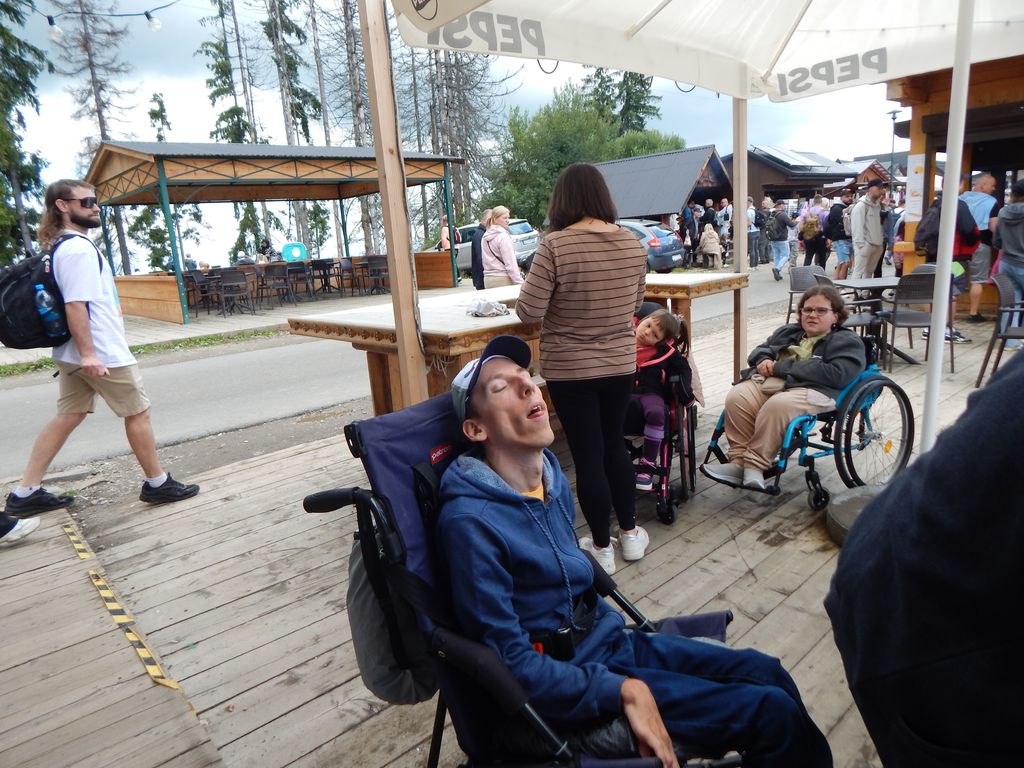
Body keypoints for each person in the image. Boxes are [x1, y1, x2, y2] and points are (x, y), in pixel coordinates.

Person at [439, 334, 833, 768]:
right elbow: (507, 662)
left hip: (611, 645)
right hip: (567, 681)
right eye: (501, 387)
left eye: (525, 376)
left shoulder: (548, 476)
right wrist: (621, 689)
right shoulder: (470, 523)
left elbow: (569, 579)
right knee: (771, 713)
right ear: (476, 429)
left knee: (767, 671)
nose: (527, 385)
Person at [825, 352, 1024, 767]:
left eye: (820, 315)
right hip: (914, 626)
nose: (808, 319)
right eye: (803, 315)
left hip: (903, 593)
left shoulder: (842, 345)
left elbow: (836, 371)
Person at [4, 179, 199, 516]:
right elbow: (75, 305)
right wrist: (90, 354)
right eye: (87, 201)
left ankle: (26, 491)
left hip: (71, 352)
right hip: (99, 352)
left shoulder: (61, 246)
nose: (95, 207)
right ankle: (157, 483)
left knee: (69, 414)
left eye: (96, 201)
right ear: (62, 205)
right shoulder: (78, 249)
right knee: (138, 412)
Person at [516, 163, 648, 575]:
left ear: (563, 199)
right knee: (615, 446)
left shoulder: (555, 246)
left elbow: (528, 312)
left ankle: (602, 548)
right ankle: (630, 534)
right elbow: (635, 304)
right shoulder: (632, 243)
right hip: (620, 363)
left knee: (588, 454)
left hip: (571, 367)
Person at [701, 286, 866, 491]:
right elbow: (761, 350)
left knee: (778, 405)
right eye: (807, 309)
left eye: (821, 310)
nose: (812, 314)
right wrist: (763, 360)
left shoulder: (847, 340)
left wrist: (780, 367)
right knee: (738, 396)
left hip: (818, 390)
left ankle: (755, 465)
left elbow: (837, 374)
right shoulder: (789, 332)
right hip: (776, 383)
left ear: (836, 316)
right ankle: (739, 462)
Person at [631, 308, 690, 491]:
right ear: (643, 320)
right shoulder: (623, 338)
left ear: (661, 341)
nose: (647, 332)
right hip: (624, 392)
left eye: (655, 334)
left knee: (657, 413)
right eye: (648, 325)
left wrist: (686, 396)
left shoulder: (667, 353)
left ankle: (648, 463)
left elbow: (683, 371)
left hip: (651, 394)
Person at [960, 172, 1002, 322]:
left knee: (955, 276)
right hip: (980, 245)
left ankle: (946, 309)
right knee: (977, 280)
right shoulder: (992, 202)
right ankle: (973, 313)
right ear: (983, 186)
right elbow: (993, 226)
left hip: (959, 248)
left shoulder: (961, 199)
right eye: (992, 185)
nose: (994, 188)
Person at [994, 179, 1024, 348]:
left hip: (1007, 263)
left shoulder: (1003, 212)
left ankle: (1010, 341)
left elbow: (997, 241)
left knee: (1010, 303)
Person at [850, 180, 885, 279]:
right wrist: (861, 245)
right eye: (878, 188)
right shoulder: (860, 206)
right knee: (858, 272)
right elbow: (857, 226)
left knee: (869, 272)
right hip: (865, 244)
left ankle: (866, 290)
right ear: (870, 189)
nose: (881, 191)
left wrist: (880, 244)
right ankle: (855, 289)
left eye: (881, 188)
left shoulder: (877, 205)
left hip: (877, 244)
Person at [481, 205, 523, 288]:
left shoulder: (485, 236)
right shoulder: (503, 236)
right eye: (504, 218)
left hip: (488, 279)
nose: (508, 221)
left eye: (508, 218)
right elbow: (510, 264)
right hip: (503, 279)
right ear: (495, 219)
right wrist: (520, 283)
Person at [825, 188, 855, 279]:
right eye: (847, 196)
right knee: (845, 263)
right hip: (840, 239)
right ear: (841, 197)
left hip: (846, 239)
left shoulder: (845, 208)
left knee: (841, 263)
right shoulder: (837, 209)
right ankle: (842, 284)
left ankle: (836, 283)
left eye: (851, 196)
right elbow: (844, 222)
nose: (850, 198)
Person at [766, 200, 797, 281]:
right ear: (781, 205)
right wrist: (797, 221)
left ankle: (777, 273)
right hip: (782, 238)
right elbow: (791, 225)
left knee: (777, 256)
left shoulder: (772, 214)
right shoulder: (783, 214)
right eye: (784, 205)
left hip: (773, 238)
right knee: (786, 255)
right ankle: (777, 269)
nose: (784, 206)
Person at [798, 195, 829, 270]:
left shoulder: (807, 212)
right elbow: (826, 226)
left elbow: (802, 225)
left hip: (808, 237)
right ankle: (821, 273)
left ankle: (805, 272)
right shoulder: (825, 212)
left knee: (808, 257)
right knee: (822, 258)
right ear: (821, 201)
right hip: (821, 237)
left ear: (813, 202)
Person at [470, 208, 491, 290]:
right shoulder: (480, 235)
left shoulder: (482, 233)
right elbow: (480, 257)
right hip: (481, 277)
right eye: (490, 219)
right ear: (485, 220)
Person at [745, 196, 760, 270]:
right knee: (756, 249)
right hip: (757, 230)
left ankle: (752, 266)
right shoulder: (755, 209)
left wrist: (743, 226)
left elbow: (749, 223)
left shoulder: (748, 211)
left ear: (748, 202)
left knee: (752, 249)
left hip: (751, 231)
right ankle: (756, 265)